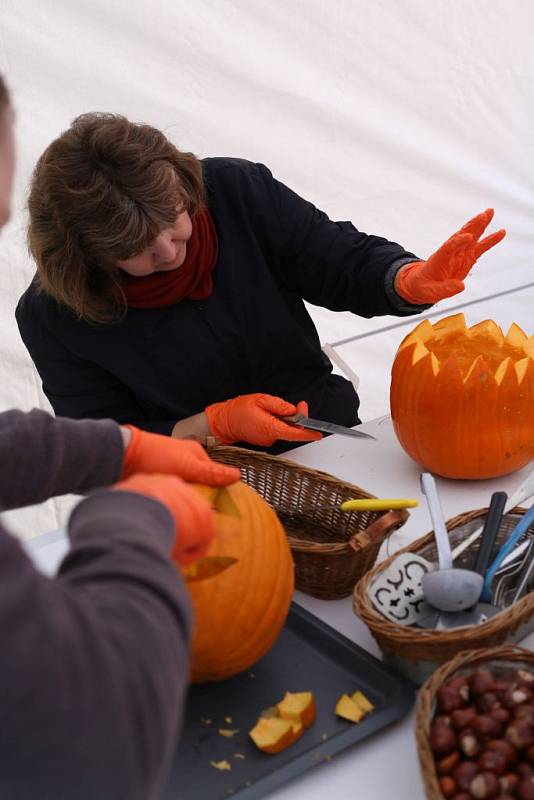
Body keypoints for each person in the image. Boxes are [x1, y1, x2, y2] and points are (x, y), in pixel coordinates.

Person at [0, 77, 242, 799]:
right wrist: (134, 512)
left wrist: (117, 450)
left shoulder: (235, 196)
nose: (175, 244)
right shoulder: (55, 318)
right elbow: (98, 735)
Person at [17, 116, 505, 454]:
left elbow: (336, 258)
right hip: (193, 485)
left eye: (173, 220)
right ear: (84, 253)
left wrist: (404, 278)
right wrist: (214, 425)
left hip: (321, 433)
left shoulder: (235, 191)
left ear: (183, 184)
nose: (168, 251)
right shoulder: (52, 315)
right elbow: (101, 448)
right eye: (135, 248)